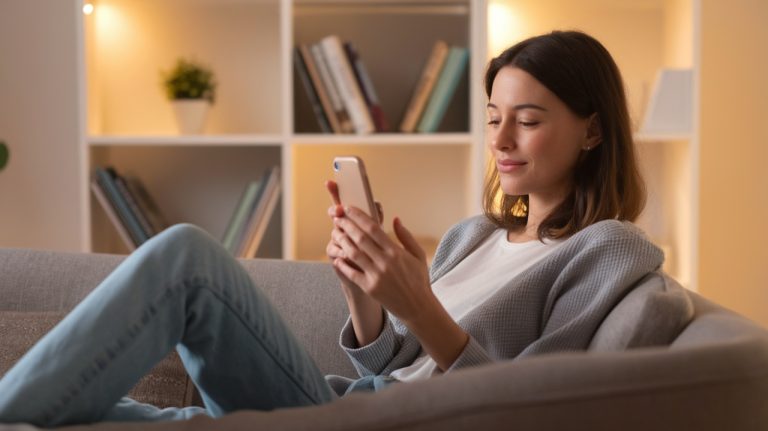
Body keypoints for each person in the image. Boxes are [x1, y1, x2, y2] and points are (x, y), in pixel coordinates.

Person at [0, 30, 665, 426]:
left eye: (529, 119)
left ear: (593, 130)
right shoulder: (474, 235)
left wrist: (421, 306)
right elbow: (396, 366)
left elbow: (532, 410)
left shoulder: (607, 247)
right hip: (353, 399)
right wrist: (363, 295)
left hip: (386, 421)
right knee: (80, 416)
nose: (502, 139)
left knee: (187, 259)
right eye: (493, 117)